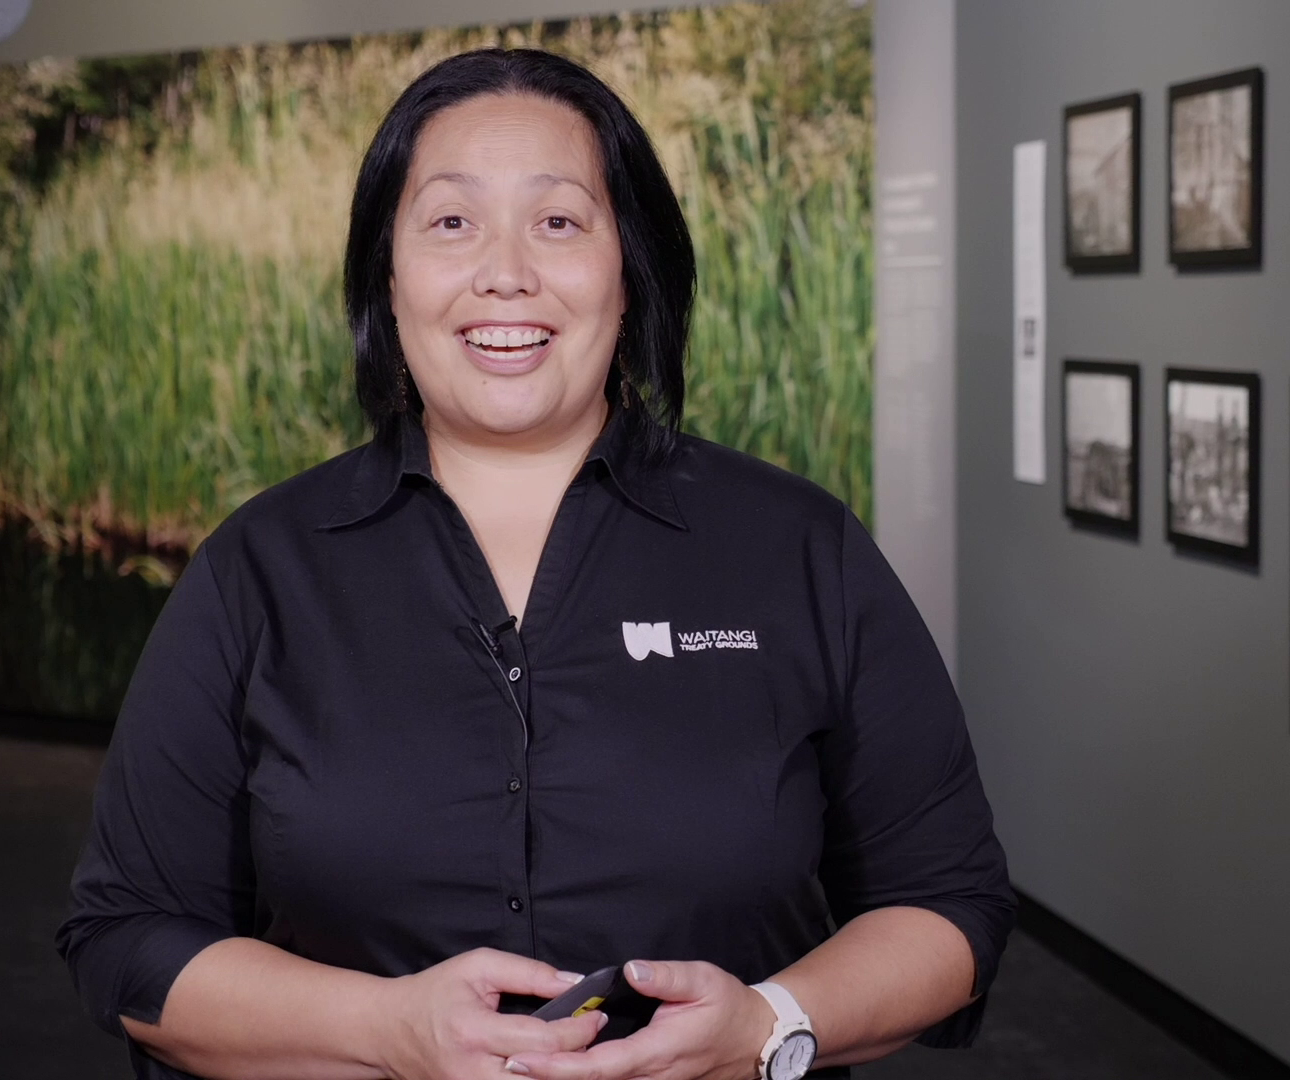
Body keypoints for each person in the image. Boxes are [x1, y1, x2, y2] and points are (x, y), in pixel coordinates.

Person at [55, 47, 1015, 1080]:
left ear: (629, 269)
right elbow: (129, 934)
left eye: (558, 221)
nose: (505, 270)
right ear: (387, 275)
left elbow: (948, 901)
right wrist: (388, 1030)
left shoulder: (798, 547)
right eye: (451, 222)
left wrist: (765, 1024)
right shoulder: (259, 570)